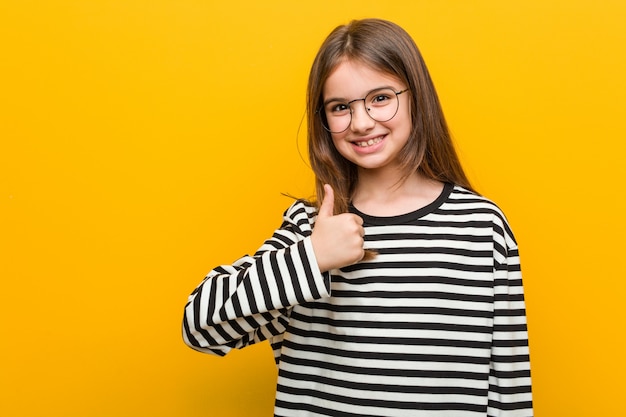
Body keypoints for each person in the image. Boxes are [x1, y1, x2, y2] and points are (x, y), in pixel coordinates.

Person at [182, 18, 533, 417]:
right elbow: (199, 328)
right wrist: (313, 257)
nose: (362, 121)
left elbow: (508, 388)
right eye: (340, 107)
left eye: (381, 97)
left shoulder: (481, 227)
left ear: (416, 95)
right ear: (323, 120)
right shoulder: (310, 228)